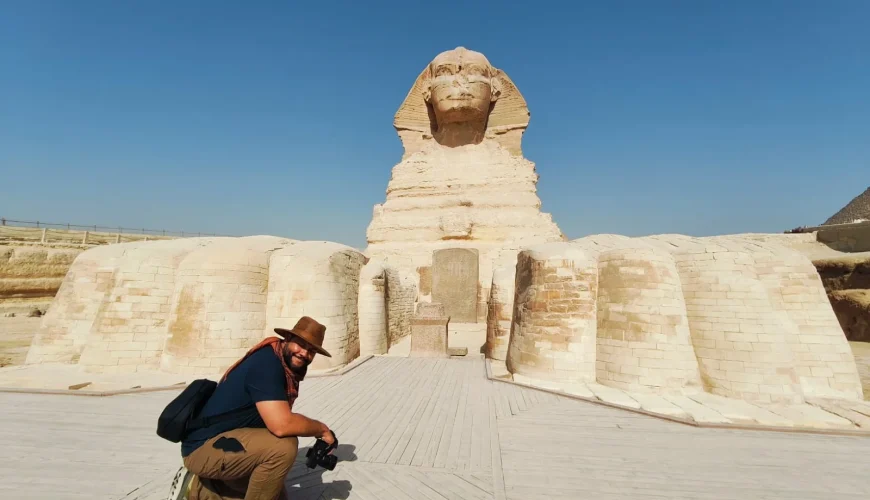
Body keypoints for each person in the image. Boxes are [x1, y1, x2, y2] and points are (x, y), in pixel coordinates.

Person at [168, 316, 336, 500]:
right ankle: (201, 477)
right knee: (283, 448)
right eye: (300, 345)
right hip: (203, 447)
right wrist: (321, 429)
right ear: (287, 339)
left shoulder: (278, 360)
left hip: (228, 441)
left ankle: (198, 487)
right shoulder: (267, 365)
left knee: (274, 493)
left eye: (311, 350)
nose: (304, 353)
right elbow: (282, 425)